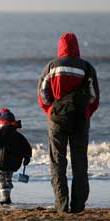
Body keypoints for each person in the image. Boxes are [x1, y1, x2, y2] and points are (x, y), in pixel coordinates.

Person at [37, 33, 99, 213]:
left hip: (57, 122)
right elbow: (94, 98)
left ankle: (62, 205)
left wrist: (51, 111)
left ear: (60, 46)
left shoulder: (51, 67)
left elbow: (43, 95)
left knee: (58, 163)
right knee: (80, 164)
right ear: (77, 46)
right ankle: (78, 206)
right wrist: (86, 113)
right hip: (80, 121)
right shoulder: (87, 67)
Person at [0, 108, 32, 204]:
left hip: (2, 162)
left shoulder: (2, 133)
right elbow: (27, 147)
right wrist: (27, 157)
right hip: (14, 163)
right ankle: (7, 197)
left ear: (2, 123)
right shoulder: (18, 135)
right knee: (8, 179)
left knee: (0, 178)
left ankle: (5, 198)